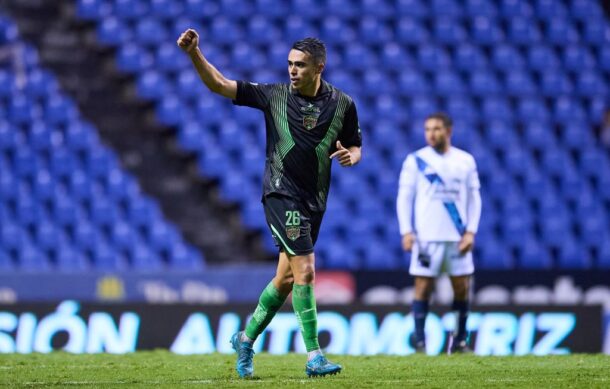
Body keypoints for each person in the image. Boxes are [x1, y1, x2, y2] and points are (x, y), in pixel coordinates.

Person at [177, 30, 362, 377]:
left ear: (319, 67)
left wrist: (352, 156)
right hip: (280, 192)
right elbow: (220, 84)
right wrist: (195, 54)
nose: (292, 70)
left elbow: (354, 144)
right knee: (306, 270)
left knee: (285, 280)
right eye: (290, 64)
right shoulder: (273, 95)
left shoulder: (343, 104)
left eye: (301, 65)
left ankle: (245, 340)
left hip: (314, 200)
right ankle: (314, 356)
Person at [396, 112, 481, 354]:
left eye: (436, 129)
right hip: (426, 237)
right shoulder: (416, 160)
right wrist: (406, 231)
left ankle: (460, 341)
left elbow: (475, 199)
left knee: (462, 287)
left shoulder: (465, 161)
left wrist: (471, 232)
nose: (431, 134)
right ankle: (420, 344)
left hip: (457, 237)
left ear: (448, 131)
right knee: (422, 287)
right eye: (427, 129)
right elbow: (404, 197)